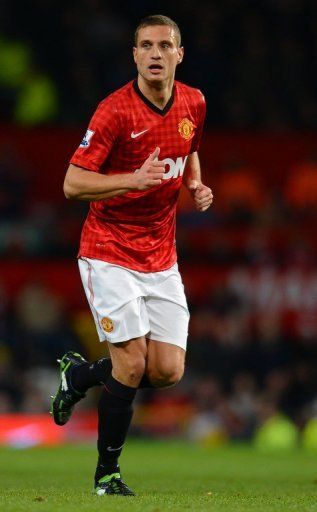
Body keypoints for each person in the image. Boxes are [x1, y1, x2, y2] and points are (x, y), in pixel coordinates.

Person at [51, 14, 213, 496]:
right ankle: (107, 476)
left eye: (165, 45)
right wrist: (131, 179)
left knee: (166, 371)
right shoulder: (114, 112)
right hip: (109, 249)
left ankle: (78, 375)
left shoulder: (194, 101)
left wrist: (195, 184)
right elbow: (72, 183)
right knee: (130, 364)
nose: (156, 53)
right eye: (146, 45)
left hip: (162, 256)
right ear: (135, 55)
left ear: (179, 54)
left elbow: (191, 148)